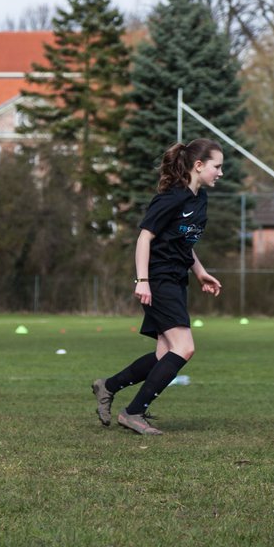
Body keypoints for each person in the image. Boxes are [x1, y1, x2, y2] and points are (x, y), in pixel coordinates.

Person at [92, 138, 224, 435]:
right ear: (199, 166)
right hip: (158, 279)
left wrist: (201, 272)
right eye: (217, 166)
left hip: (177, 280)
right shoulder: (171, 198)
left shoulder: (199, 199)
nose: (220, 173)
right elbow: (144, 238)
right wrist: (143, 281)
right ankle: (133, 412)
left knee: (166, 353)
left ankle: (107, 386)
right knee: (184, 348)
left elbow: (183, 244)